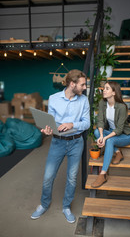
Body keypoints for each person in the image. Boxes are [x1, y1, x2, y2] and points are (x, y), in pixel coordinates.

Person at [31, 69, 90, 223]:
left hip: (76, 142)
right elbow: (51, 122)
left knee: (71, 178)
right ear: (72, 84)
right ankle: (44, 204)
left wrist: (72, 124)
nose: (84, 87)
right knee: (48, 177)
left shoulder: (84, 100)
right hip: (57, 142)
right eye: (82, 84)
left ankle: (66, 207)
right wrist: (48, 129)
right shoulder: (53, 99)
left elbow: (87, 123)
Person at [91, 81, 130, 188]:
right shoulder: (102, 103)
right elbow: (100, 121)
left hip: (125, 136)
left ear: (114, 92)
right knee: (96, 132)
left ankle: (103, 174)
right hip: (110, 132)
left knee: (109, 140)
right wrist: (101, 136)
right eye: (104, 88)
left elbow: (119, 130)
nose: (104, 90)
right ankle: (118, 152)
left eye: (107, 88)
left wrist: (105, 138)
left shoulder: (122, 107)